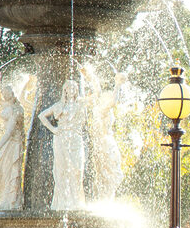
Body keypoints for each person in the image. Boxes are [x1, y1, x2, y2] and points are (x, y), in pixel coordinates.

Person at [39, 79, 87, 210]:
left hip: (76, 138)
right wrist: (53, 129)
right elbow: (42, 116)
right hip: (61, 139)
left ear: (76, 90)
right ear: (65, 90)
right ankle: (63, 201)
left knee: (77, 168)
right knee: (62, 169)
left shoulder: (81, 103)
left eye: (74, 88)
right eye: (69, 88)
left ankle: (76, 200)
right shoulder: (59, 105)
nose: (71, 90)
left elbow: (96, 96)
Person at [82, 66, 125, 200]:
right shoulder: (101, 109)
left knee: (107, 174)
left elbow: (98, 89)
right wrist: (117, 85)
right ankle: (105, 199)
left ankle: (105, 198)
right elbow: (110, 99)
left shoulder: (100, 109)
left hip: (103, 144)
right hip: (104, 144)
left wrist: (88, 75)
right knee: (107, 174)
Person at [0, 70, 25, 210]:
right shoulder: (7, 106)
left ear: (12, 93)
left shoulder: (17, 109)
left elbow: (9, 131)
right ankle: (5, 199)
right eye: (3, 93)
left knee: (10, 171)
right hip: (8, 143)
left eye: (6, 92)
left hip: (13, 144)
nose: (4, 95)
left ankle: (11, 202)